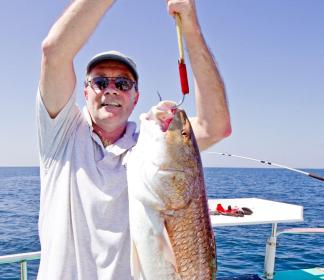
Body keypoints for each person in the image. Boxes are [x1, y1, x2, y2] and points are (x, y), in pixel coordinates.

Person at [36, 0, 231, 279]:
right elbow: (54, 51)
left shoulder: (150, 146)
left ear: (136, 97)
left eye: (123, 83)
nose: (111, 90)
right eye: (100, 82)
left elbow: (216, 127)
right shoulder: (60, 133)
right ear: (85, 92)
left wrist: (190, 27)